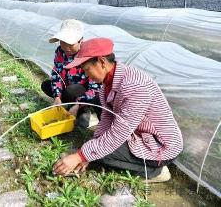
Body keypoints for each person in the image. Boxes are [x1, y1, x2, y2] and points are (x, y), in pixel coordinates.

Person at [53, 37, 183, 182]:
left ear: (102, 62)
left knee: (104, 154)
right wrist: (88, 153)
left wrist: (81, 155)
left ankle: (155, 171)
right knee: (96, 149)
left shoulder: (135, 86)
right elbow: (106, 121)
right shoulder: (107, 85)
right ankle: (138, 161)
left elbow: (117, 135)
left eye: (87, 70)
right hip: (139, 132)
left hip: (160, 146)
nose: (86, 75)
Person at [41, 19, 101, 126]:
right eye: (63, 42)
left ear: (80, 41)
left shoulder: (89, 56)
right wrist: (57, 97)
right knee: (46, 85)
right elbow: (57, 74)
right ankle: (68, 105)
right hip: (68, 88)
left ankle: (84, 108)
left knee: (72, 90)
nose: (66, 47)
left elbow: (95, 88)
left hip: (83, 92)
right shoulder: (61, 51)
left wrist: (78, 104)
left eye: (70, 44)